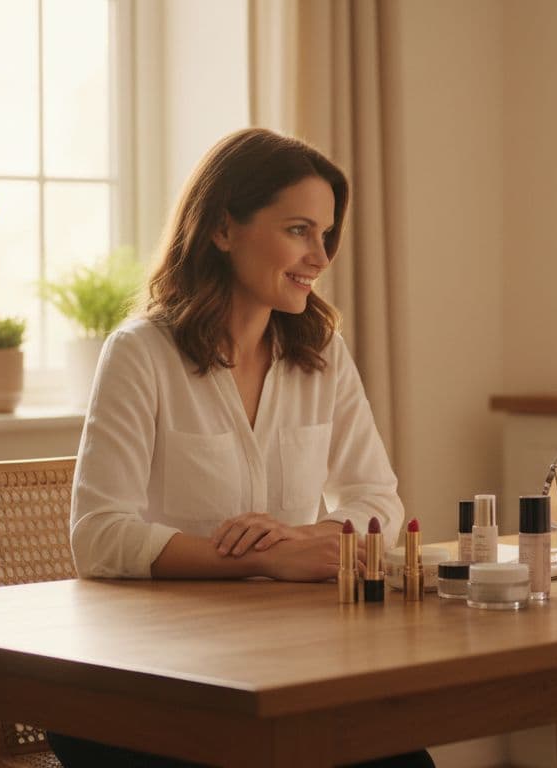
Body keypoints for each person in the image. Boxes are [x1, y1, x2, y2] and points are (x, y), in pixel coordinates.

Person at [55, 128, 431, 768]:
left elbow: (377, 499)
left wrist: (318, 538)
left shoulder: (321, 354)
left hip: (289, 663)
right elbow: (97, 536)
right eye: (297, 230)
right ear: (223, 229)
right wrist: (265, 561)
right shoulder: (140, 353)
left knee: (404, 761)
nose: (320, 255)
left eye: (325, 234)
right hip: (157, 676)